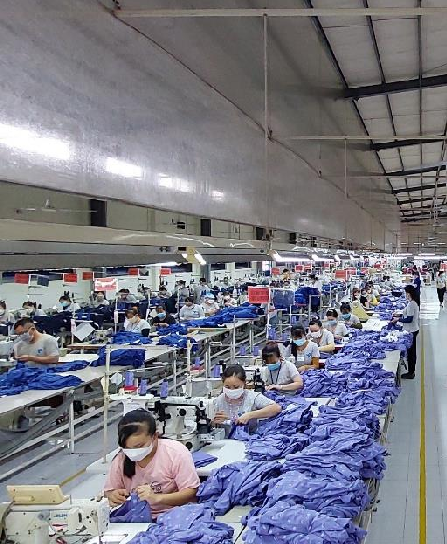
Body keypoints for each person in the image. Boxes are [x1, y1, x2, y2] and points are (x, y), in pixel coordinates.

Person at [104, 410, 200, 518]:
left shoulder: (175, 453)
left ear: (154, 436)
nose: (133, 452)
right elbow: (110, 491)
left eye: (139, 446)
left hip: (173, 515)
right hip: (136, 516)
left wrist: (157, 498)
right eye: (127, 448)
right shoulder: (120, 459)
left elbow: (191, 491)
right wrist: (114, 496)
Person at [213, 365, 281, 434]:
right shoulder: (219, 400)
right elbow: (212, 423)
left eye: (236, 387)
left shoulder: (252, 397)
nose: (231, 390)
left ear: (244, 383)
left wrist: (250, 415)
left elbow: (276, 408)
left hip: (250, 437)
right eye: (227, 387)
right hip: (225, 438)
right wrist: (214, 423)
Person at [392, 285, 420, 380]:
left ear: (408, 293)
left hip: (411, 331)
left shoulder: (412, 304)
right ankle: (411, 371)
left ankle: (411, 373)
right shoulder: (411, 303)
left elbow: (409, 319)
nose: (405, 294)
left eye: (405, 293)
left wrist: (398, 319)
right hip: (411, 330)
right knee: (411, 352)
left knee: (411, 353)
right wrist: (399, 315)